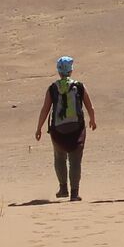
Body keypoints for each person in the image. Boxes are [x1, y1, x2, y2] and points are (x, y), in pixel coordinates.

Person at [35, 55, 98, 201]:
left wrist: (39, 128)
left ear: (58, 71)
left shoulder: (52, 88)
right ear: (71, 70)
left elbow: (45, 109)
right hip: (77, 130)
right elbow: (90, 106)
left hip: (58, 131)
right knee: (75, 160)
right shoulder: (79, 86)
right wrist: (93, 120)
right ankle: (74, 193)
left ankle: (63, 188)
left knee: (59, 157)